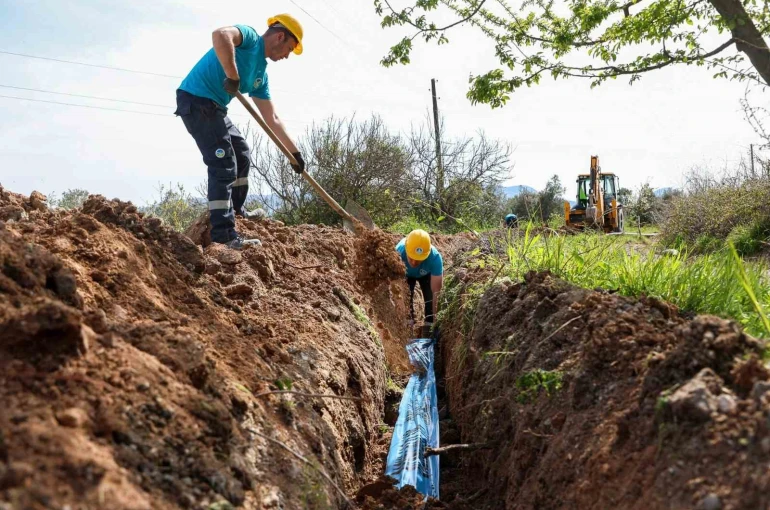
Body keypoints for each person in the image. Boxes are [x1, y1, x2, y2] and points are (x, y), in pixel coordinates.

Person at [175, 15, 306, 249]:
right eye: (289, 48)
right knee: (223, 164)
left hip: (215, 108)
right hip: (196, 101)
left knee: (241, 153)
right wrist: (233, 75)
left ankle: (235, 210)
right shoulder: (250, 38)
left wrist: (294, 154)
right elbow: (220, 35)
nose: (287, 55)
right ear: (280, 36)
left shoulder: (260, 76)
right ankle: (223, 236)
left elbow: (272, 118)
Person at [395, 229, 444, 338]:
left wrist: (435, 322)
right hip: (405, 274)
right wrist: (403, 318)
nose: (414, 263)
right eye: (411, 258)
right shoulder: (398, 253)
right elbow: (396, 290)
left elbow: (436, 292)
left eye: (418, 260)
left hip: (426, 274)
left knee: (430, 299)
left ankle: (429, 330)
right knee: (406, 300)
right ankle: (408, 331)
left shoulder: (435, 258)